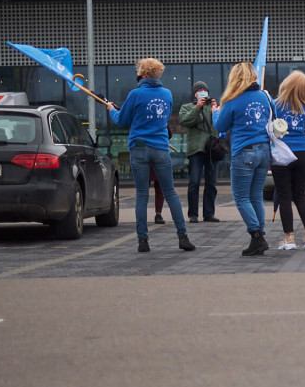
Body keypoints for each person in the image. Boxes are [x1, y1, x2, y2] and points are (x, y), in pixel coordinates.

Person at [106, 58, 196, 253]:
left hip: (139, 148)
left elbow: (122, 119)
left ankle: (143, 240)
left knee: (142, 194)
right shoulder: (167, 94)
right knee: (170, 192)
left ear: (144, 74)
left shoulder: (135, 94)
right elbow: (162, 119)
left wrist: (111, 110)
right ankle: (183, 236)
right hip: (161, 147)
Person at [215, 62, 272, 256]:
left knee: (241, 197)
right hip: (265, 150)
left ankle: (257, 237)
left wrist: (215, 112)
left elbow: (221, 127)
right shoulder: (264, 96)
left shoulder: (233, 100)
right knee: (256, 196)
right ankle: (260, 237)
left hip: (244, 152)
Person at [272, 70, 305, 250]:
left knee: (285, 197)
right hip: (303, 154)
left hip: (282, 154)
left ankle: (289, 238)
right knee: (300, 195)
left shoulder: (275, 106)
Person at [178, 81, 221, 223]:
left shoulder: (212, 107)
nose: (202, 91)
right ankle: (193, 214)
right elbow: (185, 120)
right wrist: (198, 107)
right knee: (194, 182)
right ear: (195, 93)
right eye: (199, 90)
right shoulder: (188, 107)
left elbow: (221, 124)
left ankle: (209, 213)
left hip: (212, 150)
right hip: (196, 150)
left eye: (205, 89)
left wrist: (217, 109)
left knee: (211, 183)